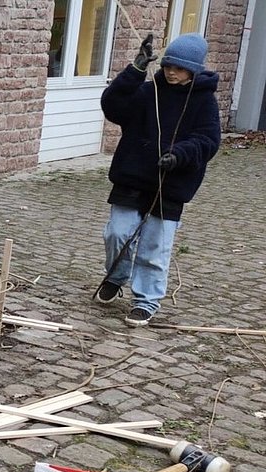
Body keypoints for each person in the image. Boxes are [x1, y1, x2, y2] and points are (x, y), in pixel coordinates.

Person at [93, 33, 220, 327]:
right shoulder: (147, 91)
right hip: (132, 177)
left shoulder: (204, 102)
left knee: (154, 247)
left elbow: (208, 141)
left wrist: (179, 155)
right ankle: (116, 275)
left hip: (170, 186)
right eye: (167, 66)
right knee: (117, 233)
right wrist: (135, 70)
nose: (171, 72)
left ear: (194, 69)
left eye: (178, 67)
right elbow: (112, 106)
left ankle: (145, 300)